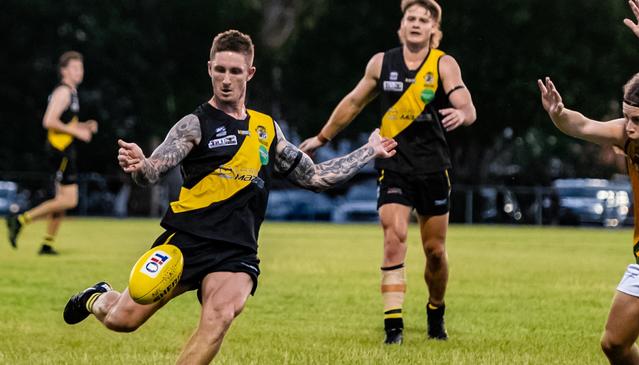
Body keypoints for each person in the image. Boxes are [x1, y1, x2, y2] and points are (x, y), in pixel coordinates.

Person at [62, 30, 397, 364]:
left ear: (249, 73)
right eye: (219, 70)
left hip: (236, 251)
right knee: (123, 320)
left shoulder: (266, 129)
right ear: (209, 68)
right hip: (186, 240)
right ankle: (99, 296)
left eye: (235, 71)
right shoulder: (194, 125)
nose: (226, 79)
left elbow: (316, 177)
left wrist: (369, 150)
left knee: (218, 318)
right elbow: (153, 171)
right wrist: (139, 164)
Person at [299, 0, 476, 344]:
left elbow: (463, 98)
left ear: (432, 31)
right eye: (411, 17)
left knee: (435, 252)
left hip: (433, 167)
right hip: (393, 164)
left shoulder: (443, 64)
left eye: (423, 20)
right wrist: (322, 138)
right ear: (401, 26)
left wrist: (465, 114)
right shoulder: (382, 63)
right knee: (394, 238)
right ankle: (392, 327)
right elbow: (353, 102)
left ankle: (435, 310)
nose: (416, 23)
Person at [538, 2, 639, 363]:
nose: (628, 126)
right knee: (614, 344)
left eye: (638, 120)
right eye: (625, 116)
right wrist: (559, 114)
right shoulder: (627, 137)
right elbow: (582, 126)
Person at [6, 51, 97, 255]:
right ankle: (20, 220)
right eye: (74, 68)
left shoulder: (71, 93)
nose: (79, 71)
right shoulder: (63, 92)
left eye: (80, 67)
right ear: (64, 71)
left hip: (65, 150)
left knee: (61, 200)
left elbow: (63, 121)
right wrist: (78, 132)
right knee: (69, 200)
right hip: (59, 151)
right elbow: (49, 121)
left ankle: (47, 243)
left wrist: (83, 125)